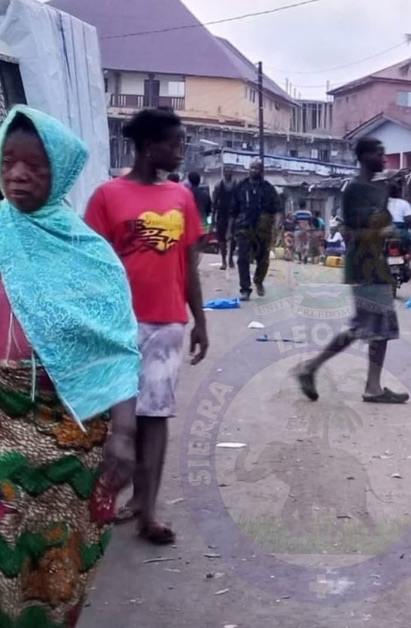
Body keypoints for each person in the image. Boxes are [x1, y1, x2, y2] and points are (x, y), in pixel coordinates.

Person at [0, 105, 142, 625]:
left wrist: (125, 435)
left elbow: (117, 350)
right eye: (8, 161)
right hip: (2, 421)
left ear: (57, 170)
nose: (17, 174)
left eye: (34, 165)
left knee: (62, 561)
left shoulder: (90, 255)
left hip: (75, 432)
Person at [85, 107, 209, 547]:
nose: (180, 152)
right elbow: (93, 264)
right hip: (118, 324)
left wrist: (200, 320)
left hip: (167, 322)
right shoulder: (107, 196)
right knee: (118, 419)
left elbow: (189, 265)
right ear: (148, 146)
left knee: (155, 416)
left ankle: (148, 510)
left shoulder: (182, 197)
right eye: (173, 144)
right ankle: (101, 499)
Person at [295, 138, 409, 404]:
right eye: (378, 153)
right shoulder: (355, 189)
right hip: (364, 266)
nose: (383, 157)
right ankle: (312, 368)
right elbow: (350, 231)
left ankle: (372, 385)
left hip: (378, 264)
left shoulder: (378, 189)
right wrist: (381, 232)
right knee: (366, 325)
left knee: (379, 327)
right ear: (364, 156)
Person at [233, 160, 281, 299]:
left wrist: (276, 227)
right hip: (244, 227)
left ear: (262, 171)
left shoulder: (268, 189)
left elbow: (277, 209)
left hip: (263, 229)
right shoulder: (241, 187)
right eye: (252, 168)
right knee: (242, 258)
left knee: (263, 259)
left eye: (257, 168)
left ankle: (258, 281)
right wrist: (230, 229)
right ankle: (245, 289)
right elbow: (233, 210)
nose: (254, 170)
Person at [212, 167, 238, 269]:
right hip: (222, 214)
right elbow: (214, 202)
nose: (228, 174)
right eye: (226, 172)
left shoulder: (236, 185)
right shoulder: (219, 185)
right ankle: (223, 260)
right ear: (223, 173)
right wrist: (213, 218)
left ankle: (230, 257)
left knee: (234, 238)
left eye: (229, 172)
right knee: (221, 238)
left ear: (232, 173)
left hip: (234, 214)